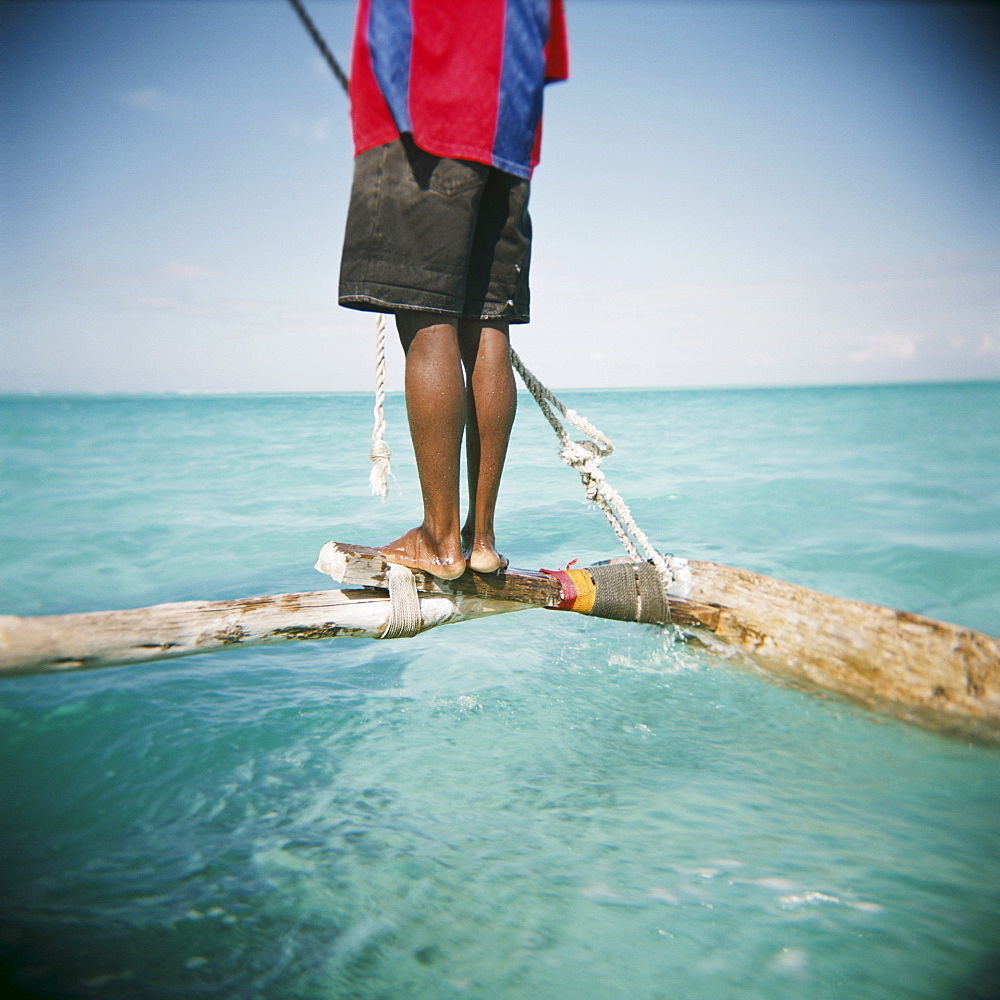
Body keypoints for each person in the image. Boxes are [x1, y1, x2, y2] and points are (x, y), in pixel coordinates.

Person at [338, 0, 568, 579]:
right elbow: (548, 57)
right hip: (509, 138)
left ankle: (440, 541)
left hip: (428, 114)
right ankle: (480, 539)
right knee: (487, 323)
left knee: (425, 312)